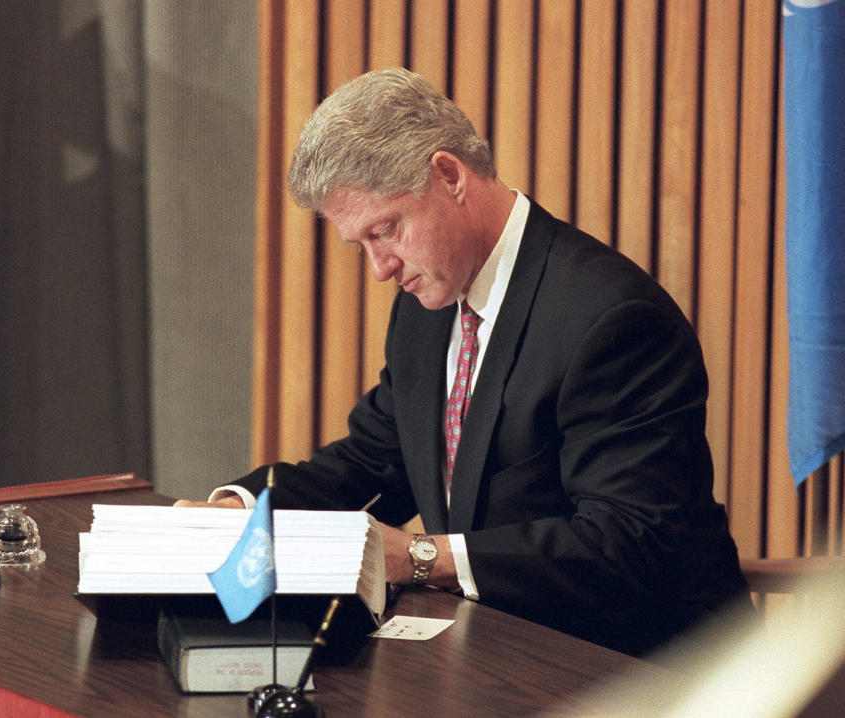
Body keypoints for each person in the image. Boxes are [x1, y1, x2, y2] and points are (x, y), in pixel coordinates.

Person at [179, 67, 753, 656]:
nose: (380, 267)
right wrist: (243, 510)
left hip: (655, 668)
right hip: (506, 650)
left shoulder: (612, 319)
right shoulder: (428, 304)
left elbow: (625, 543)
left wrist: (423, 556)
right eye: (362, 245)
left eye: (387, 230)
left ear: (448, 175)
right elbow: (379, 461)